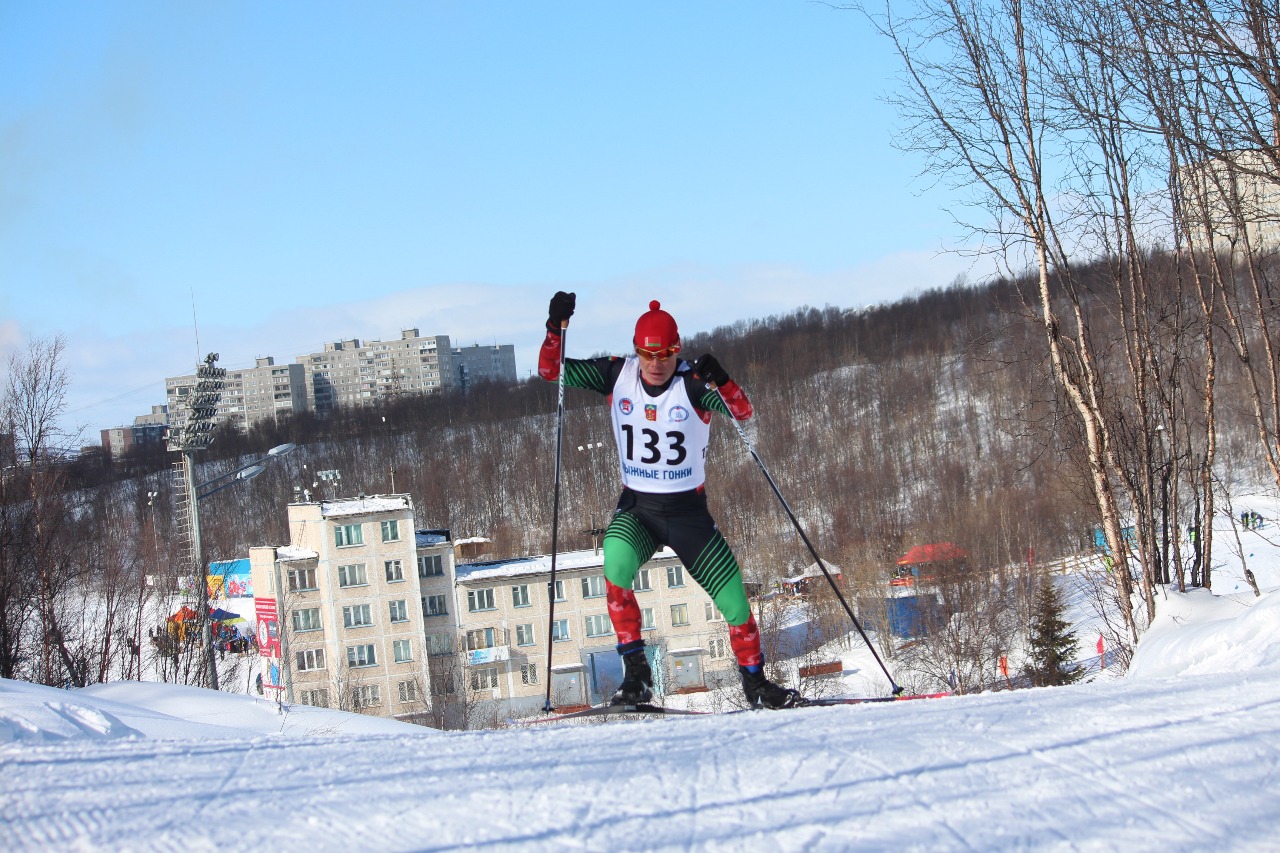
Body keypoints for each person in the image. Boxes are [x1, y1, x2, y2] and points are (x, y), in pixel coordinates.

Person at [539, 291, 803, 709]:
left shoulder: (693, 384)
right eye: (648, 354)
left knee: (735, 602)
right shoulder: (616, 374)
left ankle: (756, 685)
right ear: (637, 351)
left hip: (687, 514)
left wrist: (724, 379)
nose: (656, 363)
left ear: (676, 351)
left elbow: (742, 411)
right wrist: (555, 328)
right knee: (614, 564)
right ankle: (637, 676)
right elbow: (550, 371)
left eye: (664, 355)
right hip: (639, 509)